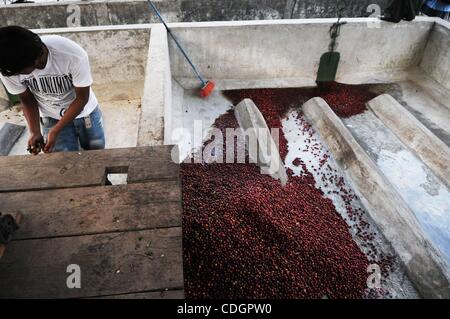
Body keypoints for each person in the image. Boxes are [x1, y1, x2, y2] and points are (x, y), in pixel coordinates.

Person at [0, 26, 105, 155]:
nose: (17, 75)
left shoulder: (72, 55)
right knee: (62, 162)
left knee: (96, 154)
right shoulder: (8, 67)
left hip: (85, 115)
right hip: (50, 117)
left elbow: (82, 98)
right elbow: (27, 100)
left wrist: (56, 131)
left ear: (36, 61)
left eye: (20, 72)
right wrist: (35, 132)